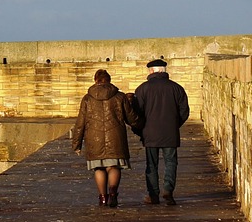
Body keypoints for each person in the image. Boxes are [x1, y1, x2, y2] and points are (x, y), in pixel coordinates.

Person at [71, 69, 140, 207]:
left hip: (94, 140)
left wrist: (76, 144)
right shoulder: (120, 97)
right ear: (109, 80)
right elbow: (131, 118)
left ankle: (103, 197)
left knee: (99, 168)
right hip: (115, 138)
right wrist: (141, 126)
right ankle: (113, 192)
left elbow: (80, 123)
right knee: (113, 166)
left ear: (95, 80)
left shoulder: (87, 99)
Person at [132, 58, 190, 205]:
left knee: (151, 164)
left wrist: (140, 130)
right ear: (164, 70)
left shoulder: (142, 89)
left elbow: (136, 113)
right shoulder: (176, 88)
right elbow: (184, 111)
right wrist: (175, 124)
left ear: (151, 71)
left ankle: (153, 194)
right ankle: (168, 190)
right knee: (171, 162)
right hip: (170, 132)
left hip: (149, 133)